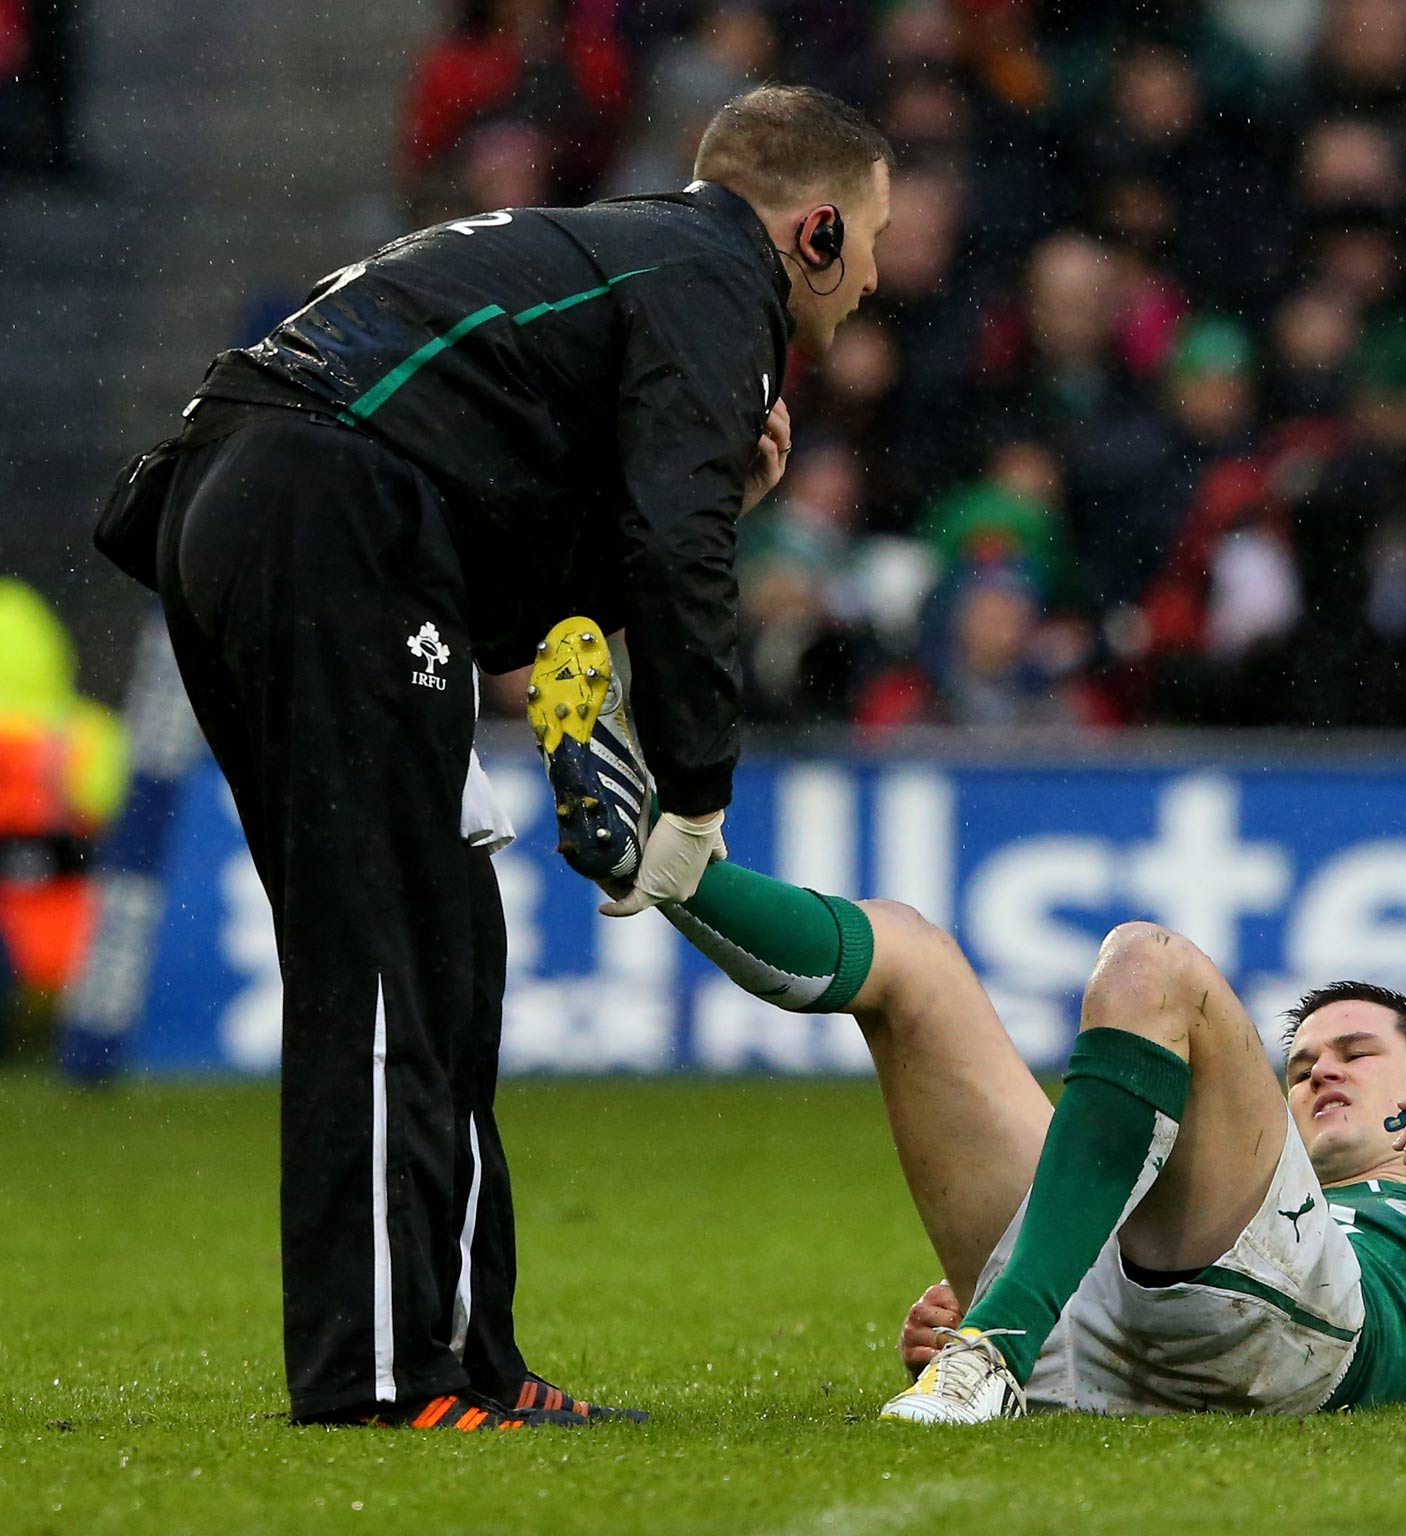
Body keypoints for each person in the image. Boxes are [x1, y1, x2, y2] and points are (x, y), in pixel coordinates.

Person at [91, 84, 893, 1431]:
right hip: (328, 509)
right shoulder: (719, 281)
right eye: (870, 239)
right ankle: (382, 1378)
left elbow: (548, 562)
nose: (873, 276)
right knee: (389, 954)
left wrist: (722, 502)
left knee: (446, 948)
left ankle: (468, 1357)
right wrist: (696, 789)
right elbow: (673, 549)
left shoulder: (623, 254)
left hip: (282, 503)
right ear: (813, 232)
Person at [528, 632, 1406, 1420]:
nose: (1318, 1072)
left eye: (1354, 1052)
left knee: (1149, 963)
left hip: (1301, 1329)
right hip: (1108, 1329)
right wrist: (972, 1306)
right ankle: (670, 867)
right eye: (1298, 1065)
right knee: (915, 956)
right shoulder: (1271, 1175)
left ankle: (1000, 1340)